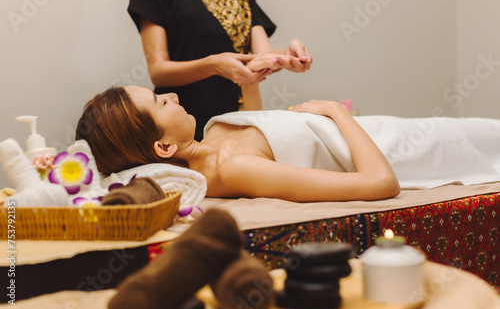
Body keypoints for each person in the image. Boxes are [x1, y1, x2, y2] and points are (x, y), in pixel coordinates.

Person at [76, 86, 401, 202]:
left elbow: (269, 128)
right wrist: (335, 110)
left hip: (389, 128)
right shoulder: (232, 169)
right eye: (162, 103)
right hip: (396, 148)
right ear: (163, 148)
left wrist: (253, 72)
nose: (173, 96)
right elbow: (381, 182)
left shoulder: (212, 132)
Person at [127, 0, 313, 140]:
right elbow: (159, 72)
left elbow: (263, 57)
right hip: (184, 122)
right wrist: (213, 65)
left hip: (239, 117)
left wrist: (288, 56)